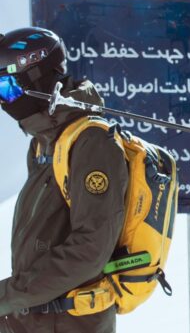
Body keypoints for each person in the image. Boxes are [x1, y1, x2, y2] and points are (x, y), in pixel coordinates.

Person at [0, 27, 128, 333]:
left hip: (70, 322)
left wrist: (8, 297)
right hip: (30, 319)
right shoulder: (44, 142)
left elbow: (90, 250)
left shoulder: (92, 143)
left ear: (36, 79)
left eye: (6, 88)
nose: (4, 101)